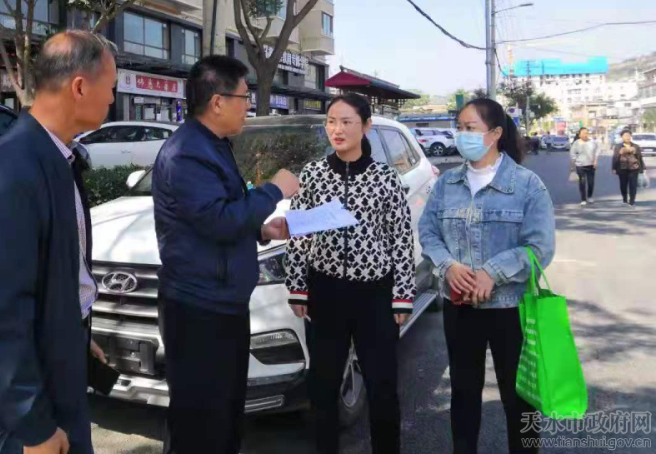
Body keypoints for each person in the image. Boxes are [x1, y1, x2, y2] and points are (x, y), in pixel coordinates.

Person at [0, 31, 118, 454]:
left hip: (59, 365)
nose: (113, 99)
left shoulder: (55, 155)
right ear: (80, 87)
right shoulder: (13, 167)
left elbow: (57, 269)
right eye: (111, 87)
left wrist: (75, 333)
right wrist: (32, 425)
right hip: (30, 411)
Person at [152, 56, 298, 454]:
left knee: (225, 416)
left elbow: (220, 212)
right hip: (199, 309)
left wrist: (261, 230)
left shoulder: (213, 145)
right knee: (201, 423)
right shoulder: (187, 153)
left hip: (221, 302)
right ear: (218, 102)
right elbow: (217, 221)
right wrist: (274, 190)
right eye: (244, 97)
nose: (247, 106)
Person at [418, 98, 556, 454]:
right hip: (460, 306)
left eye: (470, 128)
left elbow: (540, 247)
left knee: (519, 398)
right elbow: (428, 232)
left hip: (512, 308)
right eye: (459, 128)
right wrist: (448, 266)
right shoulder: (447, 183)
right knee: (463, 394)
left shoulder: (527, 184)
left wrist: (493, 273)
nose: (461, 134)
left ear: (494, 134)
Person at [285, 94, 415, 454]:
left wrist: (402, 294)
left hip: (375, 295)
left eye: (346, 122)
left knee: (382, 385)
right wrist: (297, 285)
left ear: (366, 126)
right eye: (331, 121)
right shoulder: (313, 174)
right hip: (325, 293)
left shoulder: (385, 177)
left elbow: (401, 238)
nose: (337, 129)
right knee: (323, 385)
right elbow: (299, 232)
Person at [612, 129, 646, 207]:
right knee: (623, 185)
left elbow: (639, 157)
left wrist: (643, 168)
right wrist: (613, 168)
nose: (627, 137)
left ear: (631, 136)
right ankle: (625, 198)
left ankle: (632, 201)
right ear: (622, 137)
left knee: (633, 185)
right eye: (625, 136)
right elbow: (615, 157)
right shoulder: (618, 146)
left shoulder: (636, 146)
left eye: (629, 136)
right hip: (622, 169)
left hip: (634, 168)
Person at [570, 127, 600, 205]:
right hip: (580, 166)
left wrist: (596, 161)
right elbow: (572, 155)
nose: (585, 135)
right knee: (582, 182)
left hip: (591, 165)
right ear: (579, 135)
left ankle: (590, 196)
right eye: (583, 133)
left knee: (591, 183)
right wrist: (572, 167)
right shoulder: (576, 143)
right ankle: (583, 199)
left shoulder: (592, 142)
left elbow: (597, 151)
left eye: (586, 133)